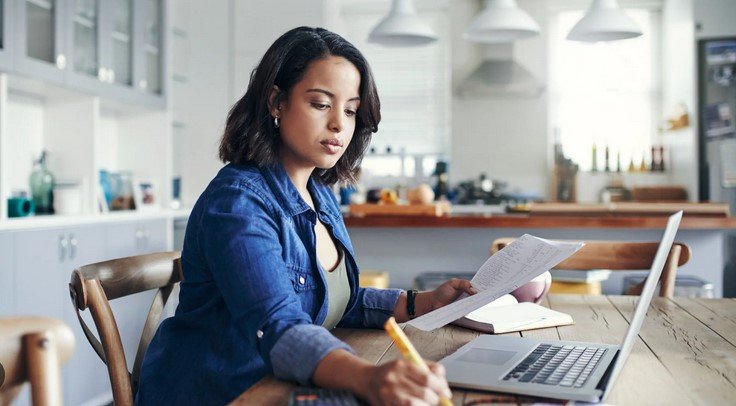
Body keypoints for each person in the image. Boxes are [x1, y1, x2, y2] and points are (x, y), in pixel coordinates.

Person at [136, 26, 475, 405]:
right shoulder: (237, 204)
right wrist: (369, 376)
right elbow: (280, 326)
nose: (339, 124)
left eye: (350, 109)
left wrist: (423, 303)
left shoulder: (320, 195)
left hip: (280, 386)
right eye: (320, 104)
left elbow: (333, 300)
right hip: (223, 394)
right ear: (276, 102)